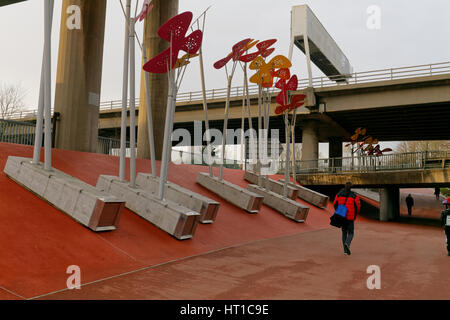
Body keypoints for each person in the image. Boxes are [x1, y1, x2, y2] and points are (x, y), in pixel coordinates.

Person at [333, 182, 361, 255]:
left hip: (342, 215)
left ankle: (345, 251)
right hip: (350, 217)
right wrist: (355, 214)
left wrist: (338, 211)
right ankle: (347, 243)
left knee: (344, 232)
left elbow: (335, 204)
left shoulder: (339, 194)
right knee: (351, 233)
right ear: (351, 187)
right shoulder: (354, 195)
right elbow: (358, 206)